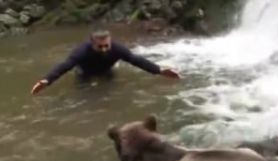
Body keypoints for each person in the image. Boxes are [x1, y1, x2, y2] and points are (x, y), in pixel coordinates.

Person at [31, 29, 181, 95]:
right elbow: (65, 66)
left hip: (106, 70)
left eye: (106, 46)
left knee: (109, 92)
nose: (104, 49)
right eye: (99, 46)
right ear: (92, 43)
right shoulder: (81, 51)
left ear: (110, 42)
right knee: (85, 94)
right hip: (85, 72)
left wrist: (159, 70)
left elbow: (136, 60)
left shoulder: (117, 49)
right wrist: (47, 80)